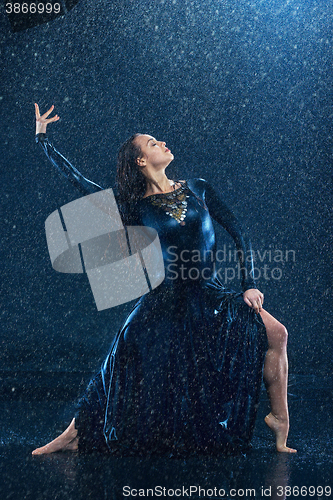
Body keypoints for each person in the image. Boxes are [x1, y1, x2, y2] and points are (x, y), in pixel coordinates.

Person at [32, 104, 296, 456]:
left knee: (277, 333)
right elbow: (83, 186)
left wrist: (249, 283)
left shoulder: (198, 188)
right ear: (140, 161)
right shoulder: (133, 206)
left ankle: (280, 419)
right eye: (153, 143)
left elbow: (238, 232)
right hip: (166, 299)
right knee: (123, 348)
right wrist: (42, 139)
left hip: (211, 295)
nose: (163, 143)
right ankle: (75, 432)